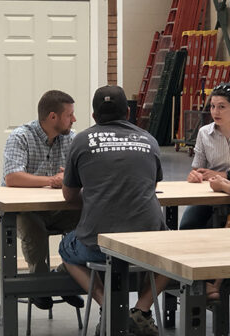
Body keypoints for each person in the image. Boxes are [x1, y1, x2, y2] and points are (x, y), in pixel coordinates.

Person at [58, 85, 168, 336]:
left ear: (94, 116)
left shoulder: (82, 140)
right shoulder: (149, 140)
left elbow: (69, 195)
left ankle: (106, 305)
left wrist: (97, 191)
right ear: (128, 113)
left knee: (66, 247)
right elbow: (151, 185)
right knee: (173, 253)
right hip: (147, 242)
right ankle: (140, 310)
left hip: (99, 242)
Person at [2, 90, 84, 310]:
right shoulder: (21, 136)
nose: (74, 120)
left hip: (59, 210)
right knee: (33, 225)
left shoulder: (72, 138)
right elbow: (12, 177)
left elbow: (83, 173)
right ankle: (40, 285)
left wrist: (70, 177)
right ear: (53, 117)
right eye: (70, 115)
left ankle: (65, 279)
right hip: (25, 211)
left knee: (90, 218)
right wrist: (53, 180)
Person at [180, 83, 230, 302]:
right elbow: (197, 168)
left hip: (225, 190)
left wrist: (222, 176)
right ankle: (194, 279)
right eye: (212, 107)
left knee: (222, 228)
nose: (215, 112)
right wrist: (195, 176)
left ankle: (214, 280)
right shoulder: (204, 133)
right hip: (211, 192)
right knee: (188, 224)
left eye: (222, 107)